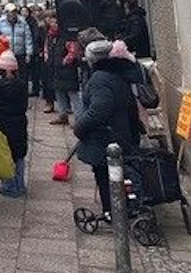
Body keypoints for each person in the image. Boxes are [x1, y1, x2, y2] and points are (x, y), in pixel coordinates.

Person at [73, 38, 142, 219]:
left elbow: (98, 111)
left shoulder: (100, 79)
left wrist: (79, 126)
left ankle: (112, 211)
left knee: (105, 174)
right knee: (116, 173)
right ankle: (122, 206)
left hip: (105, 136)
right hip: (121, 131)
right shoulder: (116, 73)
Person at [0, 50, 29, 198]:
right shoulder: (22, 85)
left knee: (5, 153)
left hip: (1, 123)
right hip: (19, 122)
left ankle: (8, 185)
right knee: (19, 154)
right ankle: (20, 185)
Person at [47, 15, 82, 125]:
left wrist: (65, 61)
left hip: (67, 69)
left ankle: (79, 119)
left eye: (56, 23)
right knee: (59, 92)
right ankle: (62, 115)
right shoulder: (50, 36)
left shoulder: (67, 36)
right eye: (52, 22)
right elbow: (47, 49)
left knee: (73, 93)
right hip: (55, 68)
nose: (54, 25)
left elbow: (73, 51)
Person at [0, 3, 33, 73]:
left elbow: (28, 38)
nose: (12, 14)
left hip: (20, 54)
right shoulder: (0, 22)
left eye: (14, 12)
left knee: (21, 75)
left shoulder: (23, 22)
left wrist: (28, 54)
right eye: (9, 12)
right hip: (5, 55)